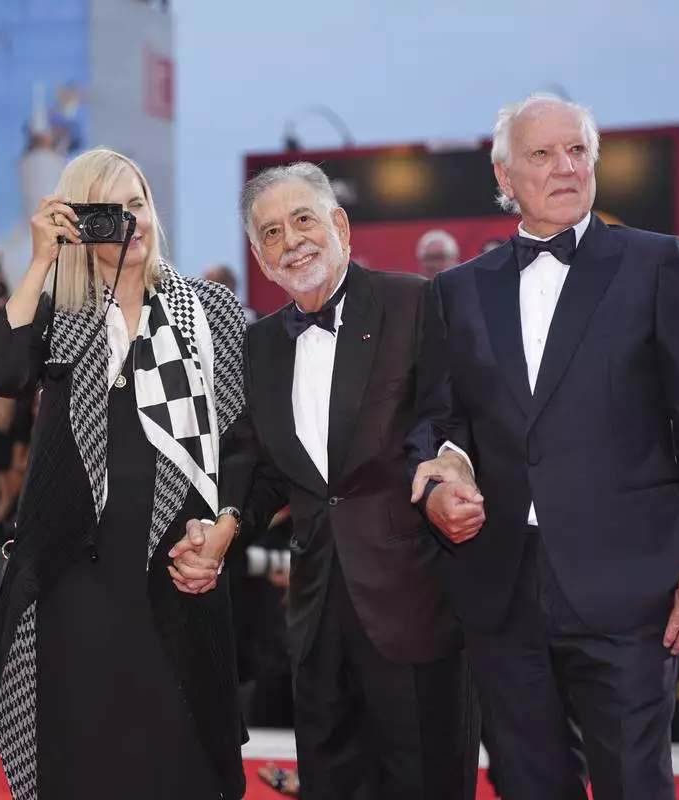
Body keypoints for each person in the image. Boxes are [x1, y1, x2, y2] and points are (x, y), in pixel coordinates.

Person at [409, 93, 679, 800]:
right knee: (529, 785)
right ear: (504, 176)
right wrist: (440, 480)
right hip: (502, 587)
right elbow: (441, 420)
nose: (565, 166)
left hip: (630, 585)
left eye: (577, 150)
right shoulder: (459, 291)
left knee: (633, 784)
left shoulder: (656, 263)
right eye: (542, 153)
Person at [0, 147, 253, 799]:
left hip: (177, 571)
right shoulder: (60, 313)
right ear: (75, 223)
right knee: (82, 760)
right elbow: (0, 373)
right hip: (73, 580)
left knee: (179, 756)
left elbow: (244, 442)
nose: (131, 222)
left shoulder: (208, 310)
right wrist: (39, 261)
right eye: (108, 211)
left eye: (137, 203)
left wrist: (225, 526)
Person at [195, 161, 475, 799]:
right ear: (259, 257)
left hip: (416, 605)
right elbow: (264, 469)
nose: (290, 241)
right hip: (317, 616)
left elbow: (449, 417)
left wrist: (450, 472)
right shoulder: (260, 345)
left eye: (303, 220)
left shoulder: (413, 303)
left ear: (340, 226)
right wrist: (225, 526)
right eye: (271, 233)